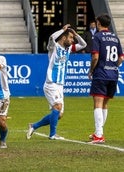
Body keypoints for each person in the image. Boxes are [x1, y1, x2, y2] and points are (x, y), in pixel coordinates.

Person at [26, 24, 87, 140]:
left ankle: (34, 126)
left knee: (59, 114)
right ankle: (52, 135)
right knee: (57, 107)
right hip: (51, 83)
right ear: (63, 37)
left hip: (60, 84)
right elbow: (51, 38)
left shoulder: (69, 48)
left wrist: (75, 34)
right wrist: (62, 30)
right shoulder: (53, 47)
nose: (72, 40)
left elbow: (84, 44)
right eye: (70, 37)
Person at [88, 13, 123, 144]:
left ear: (98, 24)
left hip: (101, 74)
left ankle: (99, 135)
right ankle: (99, 132)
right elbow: (121, 58)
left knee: (97, 103)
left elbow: (95, 57)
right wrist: (113, 66)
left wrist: (91, 70)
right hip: (113, 75)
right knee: (105, 104)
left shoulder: (97, 37)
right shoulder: (115, 38)